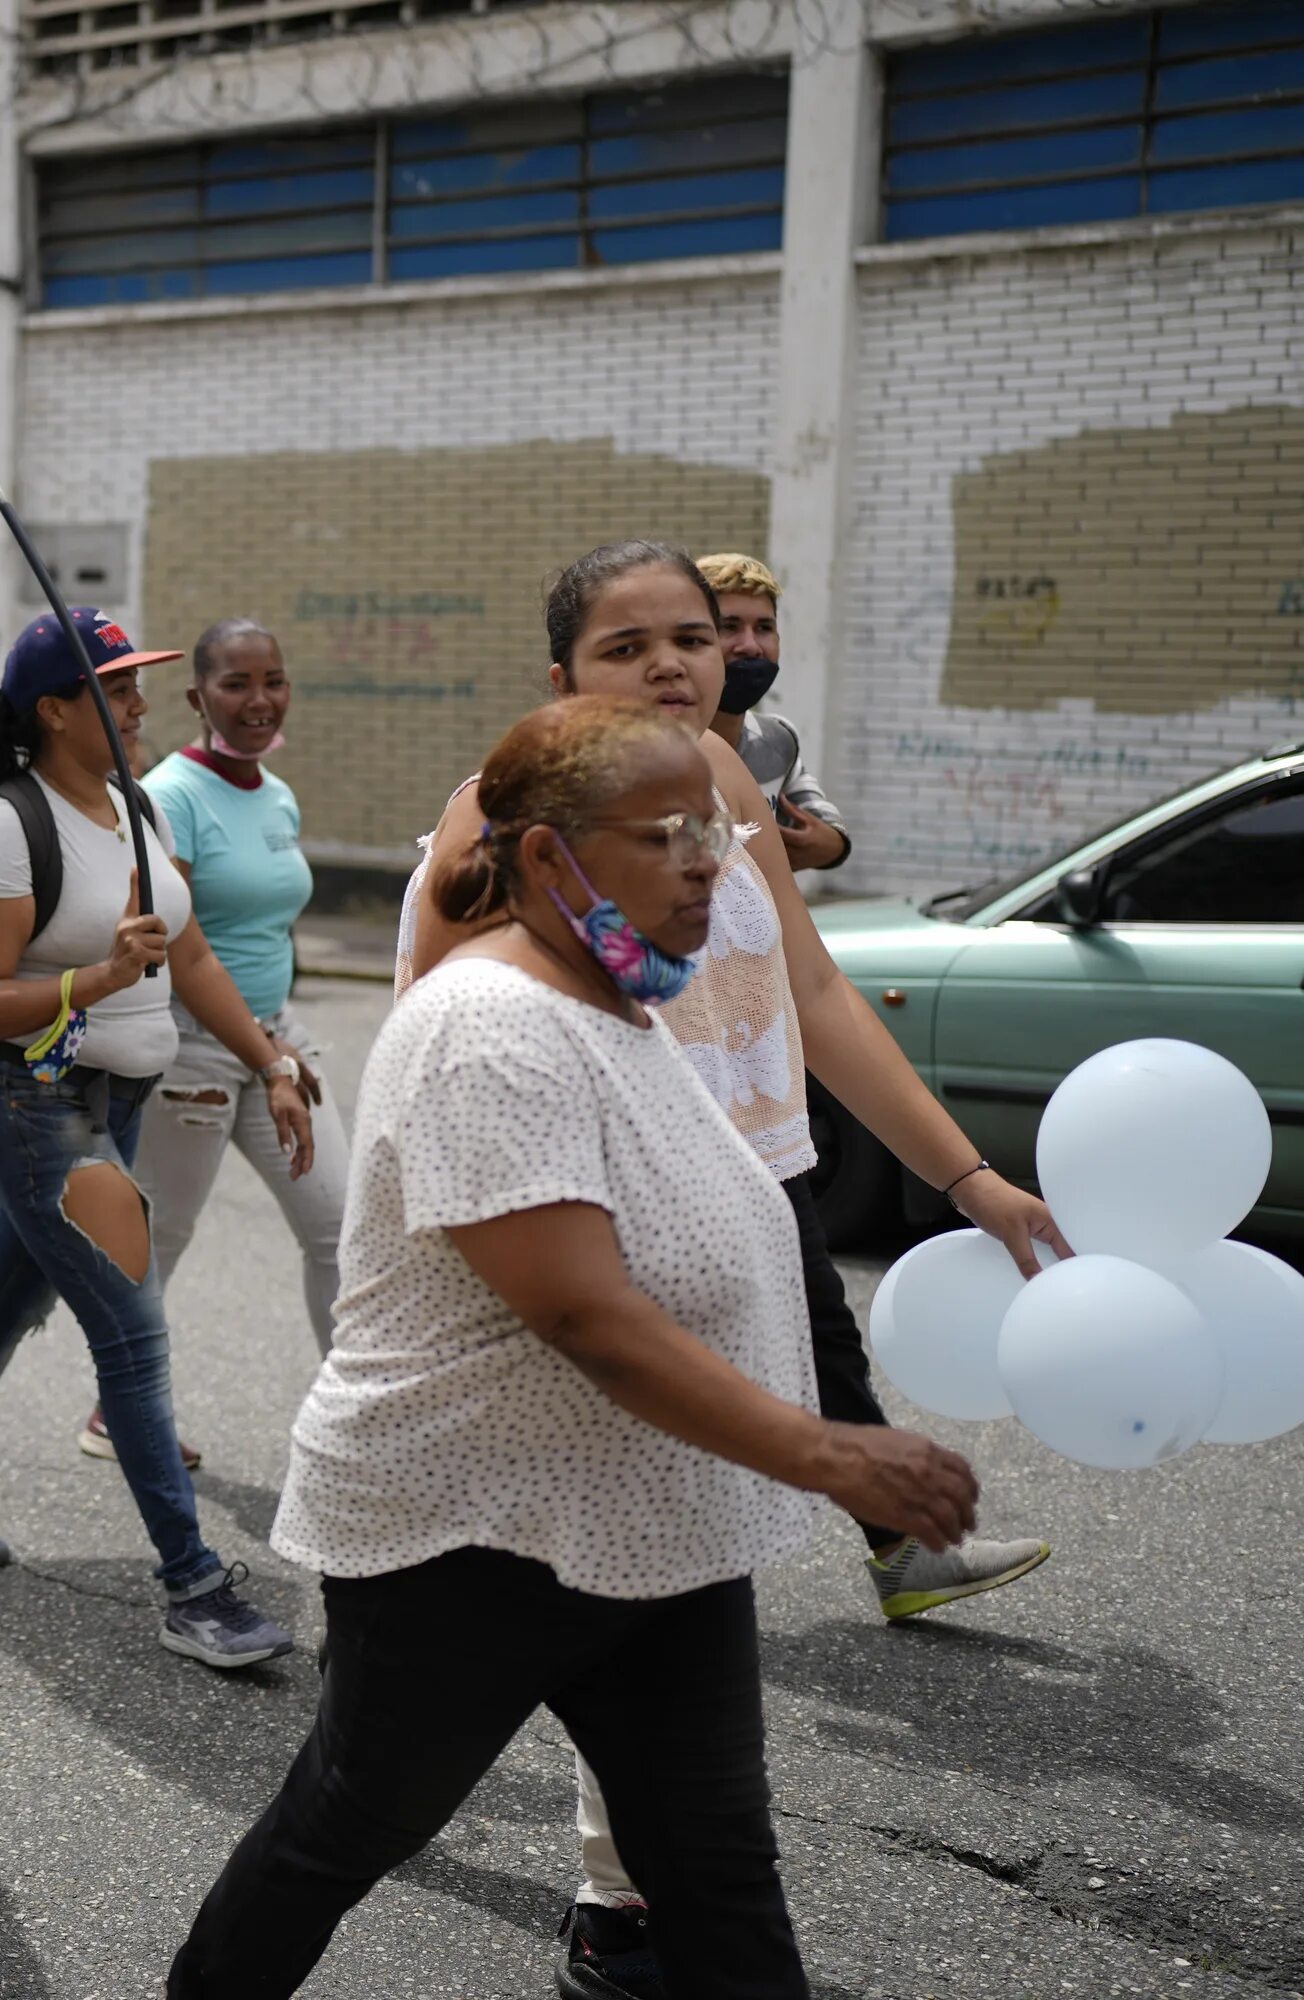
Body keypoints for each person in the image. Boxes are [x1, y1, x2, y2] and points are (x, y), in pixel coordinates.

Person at [169, 697, 986, 1999]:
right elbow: (583, 1316)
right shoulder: (492, 1025)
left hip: (656, 1522)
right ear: (548, 860)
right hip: (469, 1533)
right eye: (667, 836)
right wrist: (832, 1454)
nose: (713, 863)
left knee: (715, 1871)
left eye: (717, 830)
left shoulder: (619, 1000)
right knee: (346, 1828)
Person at [399, 541, 1058, 1998]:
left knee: (663, 1592)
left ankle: (626, 1907)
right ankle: (617, 1905)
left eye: (691, 638)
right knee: (622, 1605)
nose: (674, 666)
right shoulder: (500, 823)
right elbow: (440, 1059)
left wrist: (970, 1181)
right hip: (612, 1254)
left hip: (749, 1225)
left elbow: (810, 994)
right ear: (560, 675)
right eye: (629, 647)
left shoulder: (728, 787)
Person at [0, 608, 311, 1672]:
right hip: (35, 1101)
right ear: (53, 710)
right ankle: (193, 1585)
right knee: (132, 1323)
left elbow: (193, 950)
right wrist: (99, 978)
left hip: (116, 1099)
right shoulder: (1, 827)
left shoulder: (130, 807)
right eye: (113, 686)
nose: (137, 702)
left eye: (136, 683)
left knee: (6, 1298)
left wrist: (271, 1061)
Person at [99, 617, 345, 1466]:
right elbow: (185, 949)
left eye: (272, 680)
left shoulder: (275, 793)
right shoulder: (171, 797)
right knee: (159, 1241)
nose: (259, 699)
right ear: (199, 698)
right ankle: (122, 1413)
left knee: (337, 1228)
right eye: (236, 685)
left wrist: (277, 1046)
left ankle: (363, 1416)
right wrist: (257, 1054)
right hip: (197, 1050)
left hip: (278, 1038)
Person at [699, 552, 850, 873]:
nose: (750, 646)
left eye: (764, 627)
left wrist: (833, 845)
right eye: (730, 627)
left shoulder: (778, 738)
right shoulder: (652, 750)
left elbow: (823, 824)